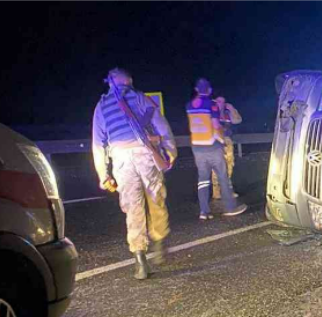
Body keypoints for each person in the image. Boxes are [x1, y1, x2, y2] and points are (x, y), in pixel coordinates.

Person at [92, 68, 177, 280]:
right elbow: (161, 125)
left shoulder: (102, 106)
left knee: (133, 207)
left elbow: (97, 143)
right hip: (145, 153)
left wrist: (103, 173)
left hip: (120, 159)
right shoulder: (139, 98)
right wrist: (171, 149)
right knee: (156, 196)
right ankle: (158, 241)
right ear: (128, 81)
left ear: (111, 82)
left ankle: (140, 260)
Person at [186, 78, 248, 220]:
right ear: (209, 90)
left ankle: (204, 211)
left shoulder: (189, 105)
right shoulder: (211, 105)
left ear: (196, 89)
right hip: (212, 146)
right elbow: (216, 125)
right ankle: (230, 207)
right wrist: (221, 139)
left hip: (197, 146)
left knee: (203, 179)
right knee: (223, 176)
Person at [211, 96, 242, 200]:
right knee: (216, 167)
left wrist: (232, 108)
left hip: (227, 140)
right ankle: (216, 191)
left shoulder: (227, 114)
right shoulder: (211, 113)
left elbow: (237, 120)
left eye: (223, 101)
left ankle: (228, 190)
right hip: (216, 142)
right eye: (219, 101)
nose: (222, 103)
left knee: (229, 165)